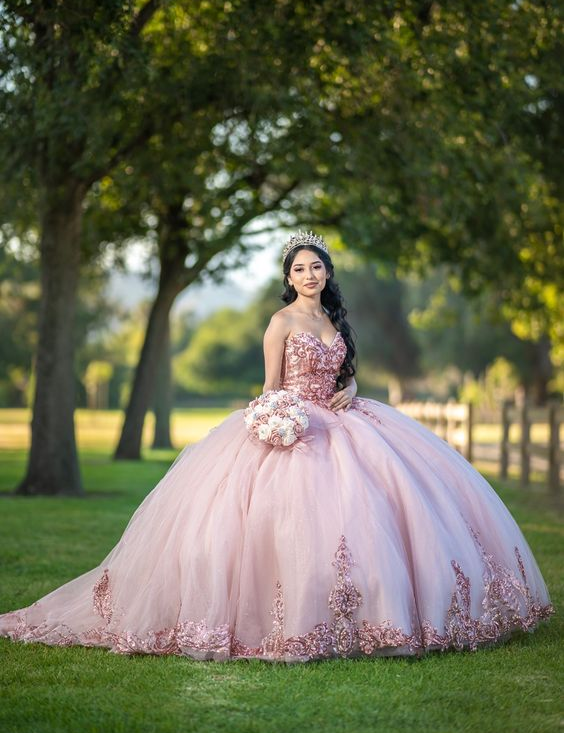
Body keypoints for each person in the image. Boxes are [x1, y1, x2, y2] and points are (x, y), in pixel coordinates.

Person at [0, 231, 553, 662]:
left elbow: (343, 370)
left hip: (348, 421)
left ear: (327, 273)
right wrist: (276, 419)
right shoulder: (281, 320)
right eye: (298, 268)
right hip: (294, 423)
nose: (308, 275)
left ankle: (382, 614)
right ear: (288, 277)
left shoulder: (334, 318)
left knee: (381, 510)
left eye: (316, 267)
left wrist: (353, 387)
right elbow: (270, 386)